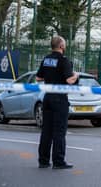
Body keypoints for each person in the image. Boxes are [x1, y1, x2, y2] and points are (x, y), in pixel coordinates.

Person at [36, 36, 78, 169]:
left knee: (46, 130)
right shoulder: (64, 61)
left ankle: (43, 161)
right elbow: (69, 80)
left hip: (47, 98)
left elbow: (38, 78)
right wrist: (76, 76)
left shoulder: (46, 60)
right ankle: (58, 161)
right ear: (61, 46)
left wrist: (50, 76)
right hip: (59, 99)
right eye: (64, 44)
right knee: (59, 131)